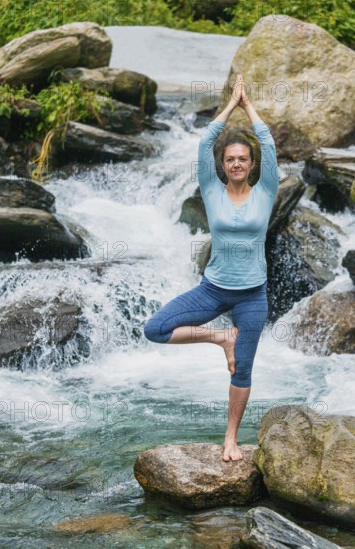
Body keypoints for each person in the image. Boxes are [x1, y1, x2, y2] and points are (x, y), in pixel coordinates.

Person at [144, 73, 279, 462]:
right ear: (223, 165)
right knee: (155, 328)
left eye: (243, 159)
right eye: (230, 159)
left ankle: (231, 440)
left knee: (243, 372)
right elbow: (205, 142)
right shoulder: (212, 190)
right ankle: (221, 339)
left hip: (253, 293)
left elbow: (268, 143)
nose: (236, 163)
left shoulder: (266, 190)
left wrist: (248, 105)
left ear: (252, 165)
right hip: (213, 288)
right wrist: (229, 106)